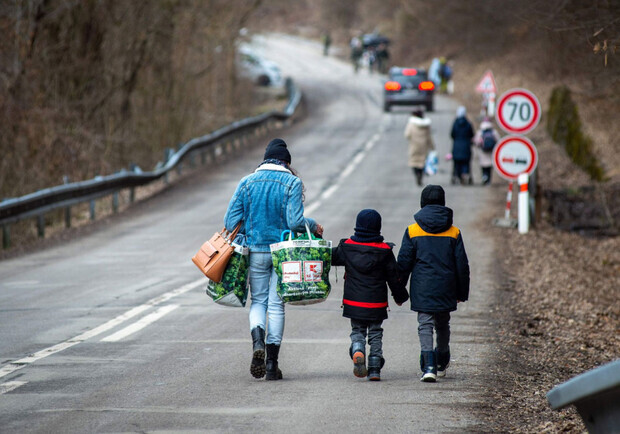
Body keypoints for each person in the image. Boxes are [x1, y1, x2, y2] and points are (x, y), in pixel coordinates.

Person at [224, 138, 324, 381]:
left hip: (255, 251)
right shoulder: (292, 182)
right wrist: (313, 225)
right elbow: (296, 223)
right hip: (283, 254)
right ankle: (271, 365)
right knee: (277, 305)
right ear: (287, 162)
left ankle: (257, 341)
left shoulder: (246, 182)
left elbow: (229, 223)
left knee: (258, 302)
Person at [396, 185, 470, 382]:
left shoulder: (412, 230)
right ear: (443, 202)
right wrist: (462, 293)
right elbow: (462, 265)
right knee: (443, 323)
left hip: (422, 286)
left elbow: (403, 263)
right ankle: (442, 358)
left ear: (422, 202)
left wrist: (399, 290)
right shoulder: (454, 232)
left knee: (425, 324)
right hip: (447, 286)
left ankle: (428, 365)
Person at [331, 209, 409, 381]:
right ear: (378, 228)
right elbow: (394, 278)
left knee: (357, 330)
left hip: (354, 302)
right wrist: (400, 296)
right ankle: (374, 368)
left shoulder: (347, 247)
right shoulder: (385, 251)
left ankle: (358, 349)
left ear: (357, 226)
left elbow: (329, 256)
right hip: (376, 303)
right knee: (375, 333)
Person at [404, 109, 435, 186]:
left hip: (414, 146)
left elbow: (407, 135)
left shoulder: (411, 124)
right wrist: (432, 147)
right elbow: (429, 137)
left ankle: (416, 175)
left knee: (414, 162)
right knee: (422, 162)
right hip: (424, 147)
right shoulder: (426, 125)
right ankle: (420, 176)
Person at [450, 106, 475, 185]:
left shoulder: (455, 123)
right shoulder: (468, 124)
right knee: (465, 163)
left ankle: (457, 176)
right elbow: (472, 134)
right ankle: (465, 174)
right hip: (466, 147)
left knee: (457, 163)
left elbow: (452, 134)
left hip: (456, 147)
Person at [473, 118, 500, 185]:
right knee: (489, 167)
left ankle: (484, 176)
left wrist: (478, 145)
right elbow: (498, 141)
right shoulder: (493, 132)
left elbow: (477, 142)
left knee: (483, 166)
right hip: (491, 152)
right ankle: (488, 180)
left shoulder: (480, 132)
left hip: (483, 152)